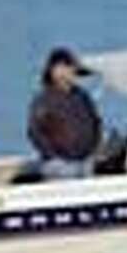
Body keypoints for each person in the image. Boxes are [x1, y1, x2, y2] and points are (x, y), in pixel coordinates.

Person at [27, 47, 103, 178]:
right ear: (54, 71)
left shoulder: (82, 96)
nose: (70, 72)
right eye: (65, 68)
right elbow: (35, 132)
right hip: (60, 165)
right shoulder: (45, 100)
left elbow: (96, 121)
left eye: (71, 68)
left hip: (85, 161)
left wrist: (93, 149)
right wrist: (53, 157)